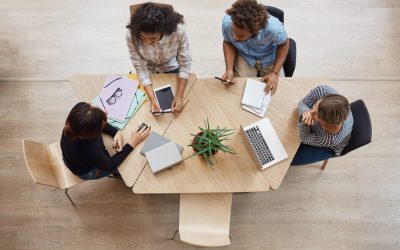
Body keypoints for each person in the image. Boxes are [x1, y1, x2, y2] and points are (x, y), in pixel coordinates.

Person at [126, 2, 192, 114]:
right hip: (148, 68)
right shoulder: (131, 35)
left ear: (163, 30)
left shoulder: (178, 31)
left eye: (153, 38)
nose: (147, 42)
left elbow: (185, 64)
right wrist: (152, 99)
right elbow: (141, 68)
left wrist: (179, 96)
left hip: (170, 65)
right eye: (143, 37)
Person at [60, 102, 151, 180]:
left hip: (70, 158)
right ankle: (118, 174)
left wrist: (116, 132)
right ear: (95, 133)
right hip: (86, 171)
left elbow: (92, 122)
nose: (105, 111)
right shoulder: (92, 149)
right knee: (125, 168)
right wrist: (132, 142)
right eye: (103, 123)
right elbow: (109, 166)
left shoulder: (78, 112)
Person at [221, 0, 289, 94]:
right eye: (233, 32)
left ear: (255, 31)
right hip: (244, 56)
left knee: (277, 91)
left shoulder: (274, 29)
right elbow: (228, 42)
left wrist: (275, 72)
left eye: (240, 35)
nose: (234, 38)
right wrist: (229, 69)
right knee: (235, 90)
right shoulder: (227, 23)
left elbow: (284, 44)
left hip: (268, 58)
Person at [296, 85, 354, 158]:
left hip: (332, 145)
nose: (311, 112)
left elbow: (305, 138)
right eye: (315, 105)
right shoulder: (323, 90)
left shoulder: (328, 139)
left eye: (316, 114)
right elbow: (302, 102)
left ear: (325, 122)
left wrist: (305, 122)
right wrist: (305, 112)